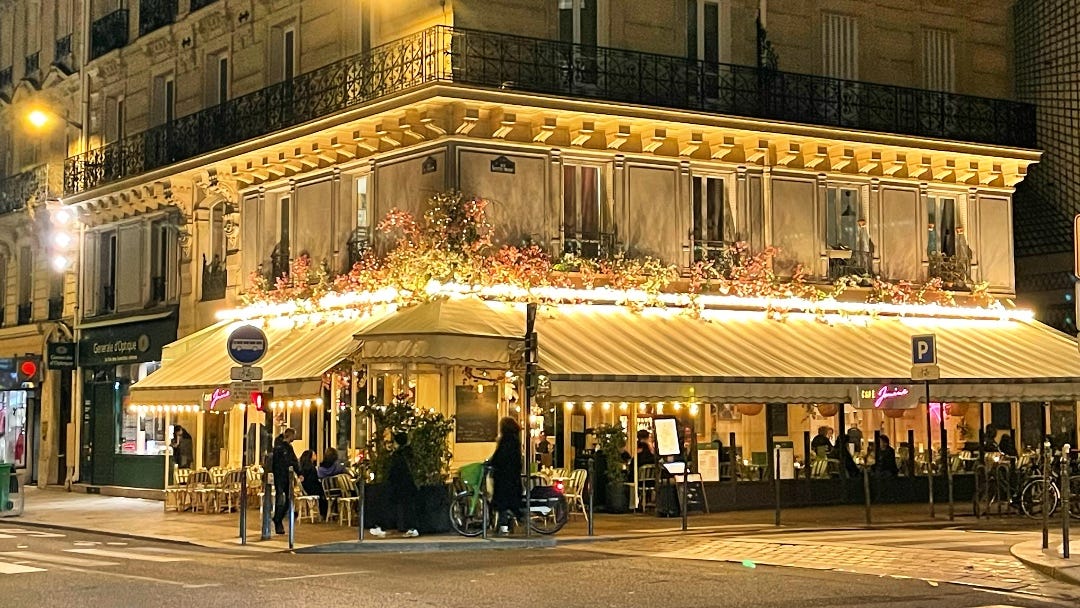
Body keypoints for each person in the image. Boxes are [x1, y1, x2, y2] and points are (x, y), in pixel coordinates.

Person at [373, 432, 420, 538]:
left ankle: (382, 528)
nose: (393, 443)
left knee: (390, 506)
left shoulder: (398, 455)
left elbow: (394, 471)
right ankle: (412, 528)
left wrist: (388, 481)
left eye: (394, 441)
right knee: (407, 508)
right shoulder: (408, 453)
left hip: (399, 485)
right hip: (408, 485)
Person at [490, 417, 524, 535]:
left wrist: (490, 462)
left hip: (504, 477)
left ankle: (503, 526)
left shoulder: (506, 440)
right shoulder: (515, 439)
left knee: (502, 503)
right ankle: (506, 525)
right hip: (512, 477)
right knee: (507, 503)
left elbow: (499, 456)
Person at [271, 428, 299, 535]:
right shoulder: (280, 448)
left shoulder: (287, 448)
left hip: (286, 477)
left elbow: (293, 461)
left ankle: (278, 519)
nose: (294, 438)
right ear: (290, 436)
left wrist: (299, 472)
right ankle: (278, 521)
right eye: (293, 436)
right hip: (280, 477)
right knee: (281, 500)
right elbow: (290, 461)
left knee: (287, 499)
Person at [297, 450, 328, 520]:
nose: (316, 455)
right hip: (312, 488)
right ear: (310, 457)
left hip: (306, 488)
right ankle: (324, 513)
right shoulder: (311, 468)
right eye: (314, 454)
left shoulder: (303, 467)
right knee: (324, 494)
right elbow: (314, 479)